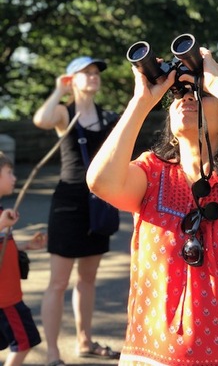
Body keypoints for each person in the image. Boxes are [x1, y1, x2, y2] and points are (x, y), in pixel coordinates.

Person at [86, 44, 218, 365]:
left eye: (199, 94)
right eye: (180, 95)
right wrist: (141, 102)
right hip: (160, 357)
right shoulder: (151, 174)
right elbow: (100, 181)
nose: (187, 98)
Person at [33, 56, 120, 366]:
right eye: (86, 73)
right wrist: (59, 90)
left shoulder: (107, 117)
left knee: (87, 280)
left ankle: (84, 340)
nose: (94, 77)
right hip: (68, 204)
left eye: (96, 73)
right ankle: (53, 353)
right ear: (72, 79)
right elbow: (41, 120)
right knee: (58, 282)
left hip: (99, 202)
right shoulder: (63, 113)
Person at [0, 151, 47, 366]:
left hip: (9, 294)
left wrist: (27, 245)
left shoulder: (2, 212)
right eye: (9, 172)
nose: (14, 177)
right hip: (5, 299)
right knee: (24, 341)